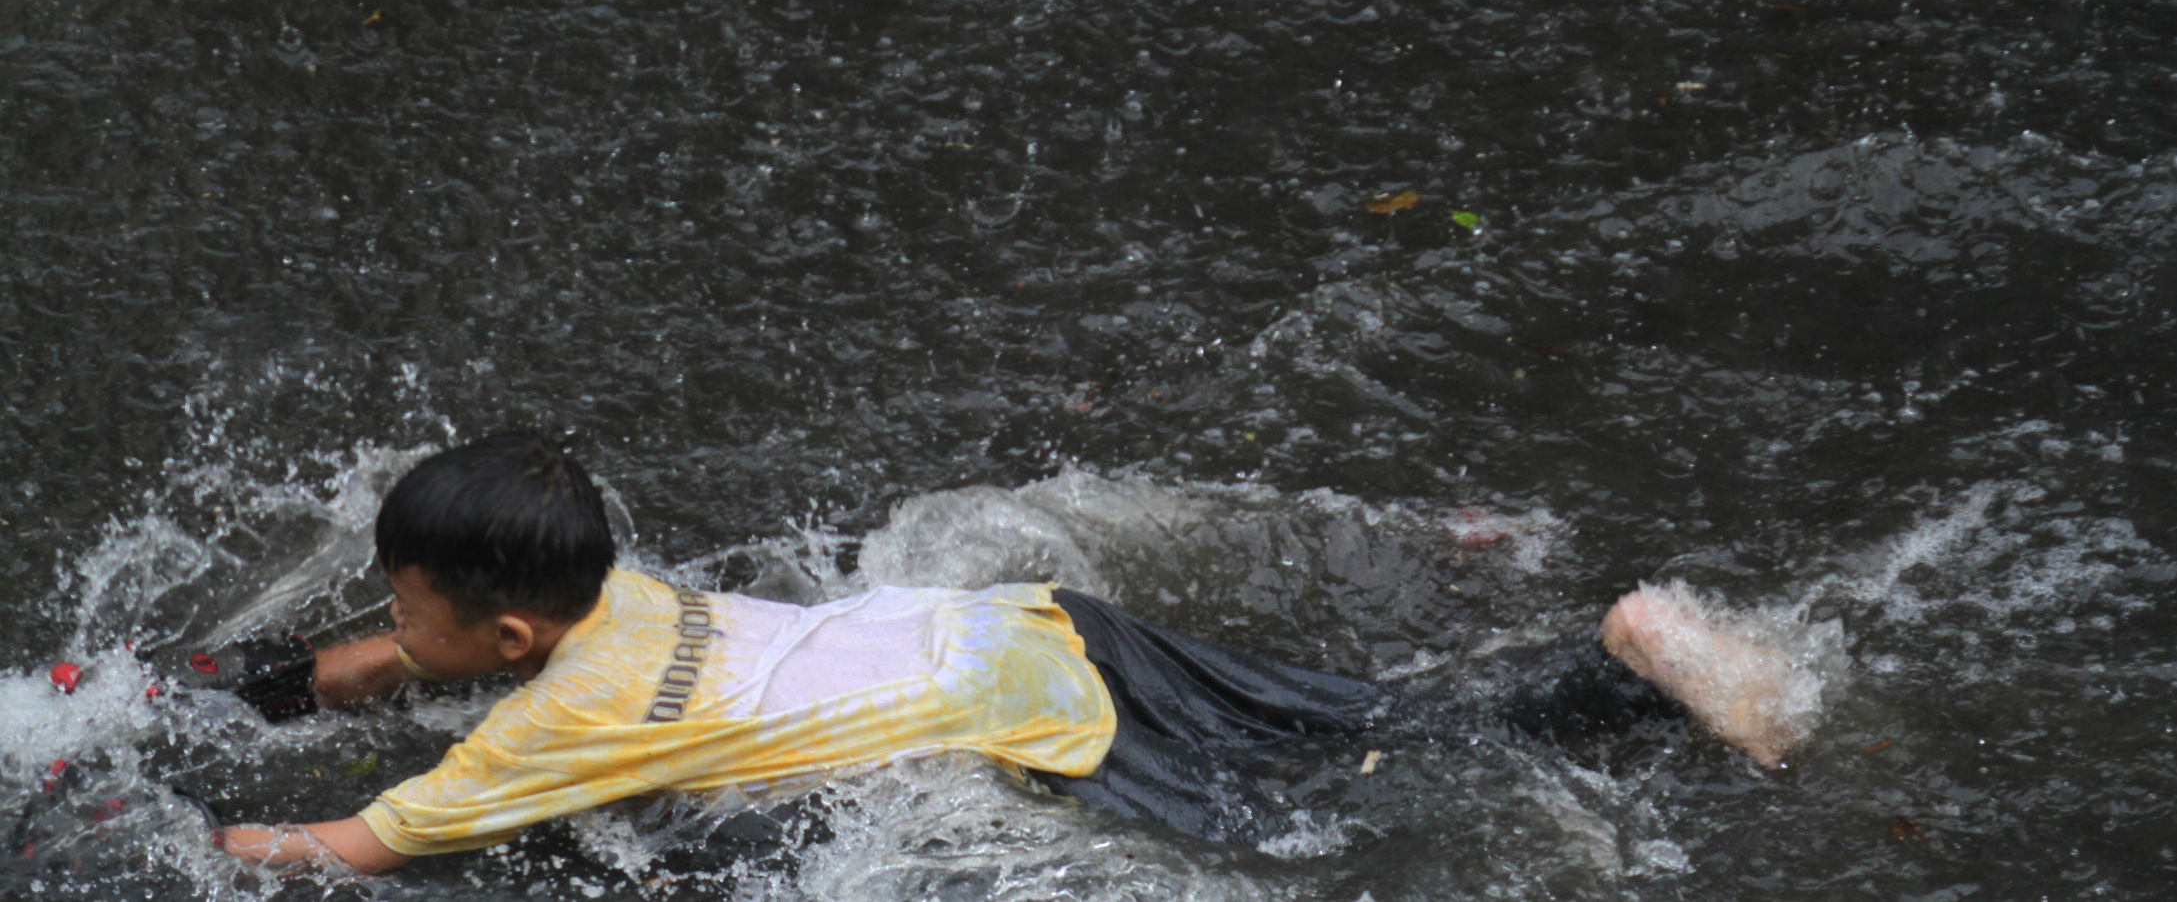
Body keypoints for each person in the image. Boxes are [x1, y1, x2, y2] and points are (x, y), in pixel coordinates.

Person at [215, 434, 1809, 873]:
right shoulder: (614, 592)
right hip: (1018, 627)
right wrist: (303, 677)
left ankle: (1614, 698)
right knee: (1351, 720)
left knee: (1335, 807)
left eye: (396, 602)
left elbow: (347, 846)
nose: (386, 627)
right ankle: (1627, 657)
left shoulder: (544, 742)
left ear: (507, 637)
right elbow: (416, 659)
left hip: (1024, 718)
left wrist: (204, 835)